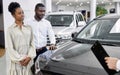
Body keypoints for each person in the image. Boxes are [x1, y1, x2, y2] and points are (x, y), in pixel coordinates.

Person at [26, 3, 56, 74]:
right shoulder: (28, 22)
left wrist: (52, 43)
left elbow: (51, 34)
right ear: (35, 11)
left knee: (43, 69)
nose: (43, 13)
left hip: (43, 50)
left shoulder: (47, 23)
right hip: (32, 51)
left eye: (44, 11)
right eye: (40, 11)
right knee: (32, 69)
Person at [7, 2, 36, 75]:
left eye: (23, 12)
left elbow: (32, 44)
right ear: (13, 15)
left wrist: (29, 57)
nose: (22, 14)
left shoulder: (29, 28)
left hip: (29, 61)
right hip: (17, 63)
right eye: (19, 13)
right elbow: (10, 48)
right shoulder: (10, 30)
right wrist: (21, 59)